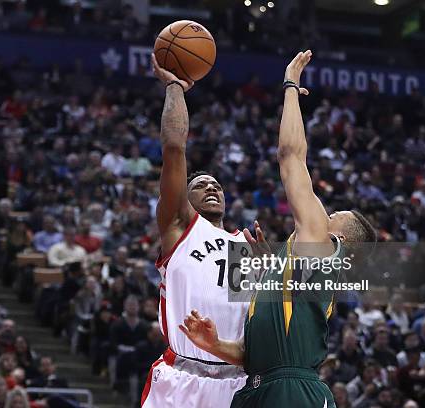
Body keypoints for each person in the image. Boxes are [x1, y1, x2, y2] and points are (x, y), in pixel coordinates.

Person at [180, 51, 377, 408]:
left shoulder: (324, 245)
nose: (323, 215)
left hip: (292, 390)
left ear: (342, 240)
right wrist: (214, 345)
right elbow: (252, 353)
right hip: (259, 387)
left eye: (334, 215)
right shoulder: (297, 267)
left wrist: (289, 86)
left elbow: (291, 157)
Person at [140, 54, 249, 408]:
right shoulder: (179, 228)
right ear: (183, 197)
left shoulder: (243, 245)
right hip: (182, 378)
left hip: (238, 381)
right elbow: (174, 147)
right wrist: (175, 87)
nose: (212, 187)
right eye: (201, 184)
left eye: (217, 185)